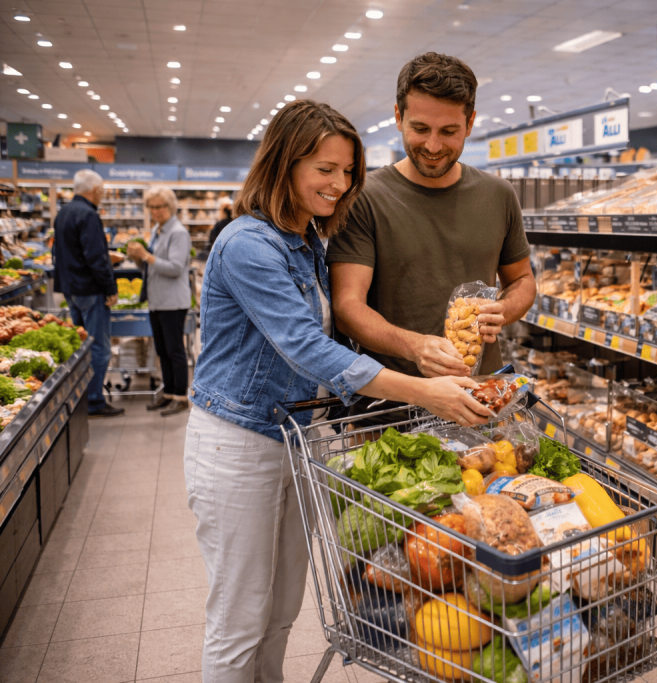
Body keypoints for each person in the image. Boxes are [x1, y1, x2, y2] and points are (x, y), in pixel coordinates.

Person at [185, 99, 490, 683]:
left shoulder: (307, 245)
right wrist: (425, 391)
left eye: (347, 170)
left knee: (280, 612)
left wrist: (413, 378)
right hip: (237, 445)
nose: (339, 183)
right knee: (238, 618)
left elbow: (332, 352)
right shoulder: (247, 244)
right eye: (324, 168)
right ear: (284, 163)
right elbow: (305, 347)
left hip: (296, 441)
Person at [328, 53, 535, 395]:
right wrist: (415, 346)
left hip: (478, 395)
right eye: (420, 129)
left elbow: (523, 280)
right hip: (391, 407)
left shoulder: (499, 194)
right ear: (398, 117)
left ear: (470, 124)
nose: (433, 145)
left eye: (449, 131)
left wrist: (504, 310)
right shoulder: (364, 197)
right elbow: (348, 307)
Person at [52, 169, 124, 417]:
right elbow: (97, 257)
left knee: (80, 344)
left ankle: (82, 395)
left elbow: (57, 254)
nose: (103, 195)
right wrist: (110, 288)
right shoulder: (88, 214)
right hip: (90, 290)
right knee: (98, 348)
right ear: (94, 190)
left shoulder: (63, 212)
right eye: (102, 191)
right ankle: (94, 400)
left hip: (71, 289)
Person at [126, 186, 192, 416]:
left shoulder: (178, 233)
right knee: (162, 350)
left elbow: (175, 268)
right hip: (157, 301)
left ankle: (181, 397)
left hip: (173, 302)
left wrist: (146, 256)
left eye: (159, 207)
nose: (155, 211)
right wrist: (138, 259)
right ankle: (168, 394)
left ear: (170, 206)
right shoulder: (158, 230)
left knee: (175, 350)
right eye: (151, 207)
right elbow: (150, 267)